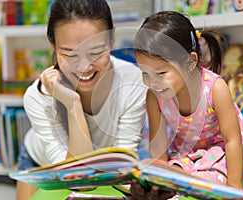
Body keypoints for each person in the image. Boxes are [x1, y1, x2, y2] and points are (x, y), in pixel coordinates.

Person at [16, 0, 147, 199]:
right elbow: (75, 180)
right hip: (41, 163)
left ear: (112, 38)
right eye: (70, 55)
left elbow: (120, 167)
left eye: (95, 52)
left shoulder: (134, 84)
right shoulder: (38, 96)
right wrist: (72, 105)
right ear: (53, 44)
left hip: (105, 170)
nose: (84, 67)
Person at [130, 11, 243, 199]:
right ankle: (176, 185)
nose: (152, 82)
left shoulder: (215, 88)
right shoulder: (154, 96)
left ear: (191, 61)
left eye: (161, 73)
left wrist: (234, 189)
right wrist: (158, 177)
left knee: (207, 181)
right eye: (145, 73)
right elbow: (158, 147)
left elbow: (233, 140)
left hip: (219, 157)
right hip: (184, 157)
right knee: (149, 168)